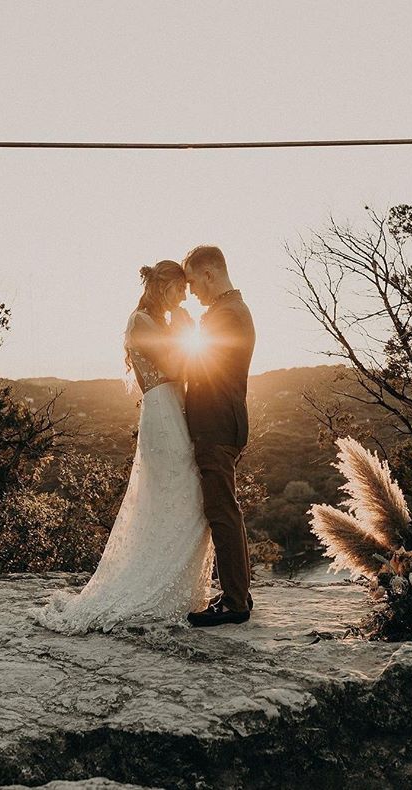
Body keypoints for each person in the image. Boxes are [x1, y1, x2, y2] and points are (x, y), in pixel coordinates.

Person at [27, 260, 214, 634]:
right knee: (182, 493)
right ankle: (153, 586)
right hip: (162, 413)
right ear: (163, 287)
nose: (184, 297)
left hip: (172, 410)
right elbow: (176, 366)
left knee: (180, 495)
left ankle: (172, 584)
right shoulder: (141, 322)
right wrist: (186, 329)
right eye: (180, 289)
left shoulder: (158, 320)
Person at [181, 245, 256, 627]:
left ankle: (234, 603)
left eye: (193, 281)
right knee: (228, 507)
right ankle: (239, 590)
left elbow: (197, 366)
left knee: (220, 511)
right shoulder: (232, 310)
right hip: (226, 420)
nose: (192, 291)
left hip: (216, 423)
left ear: (209, 274)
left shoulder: (225, 316)